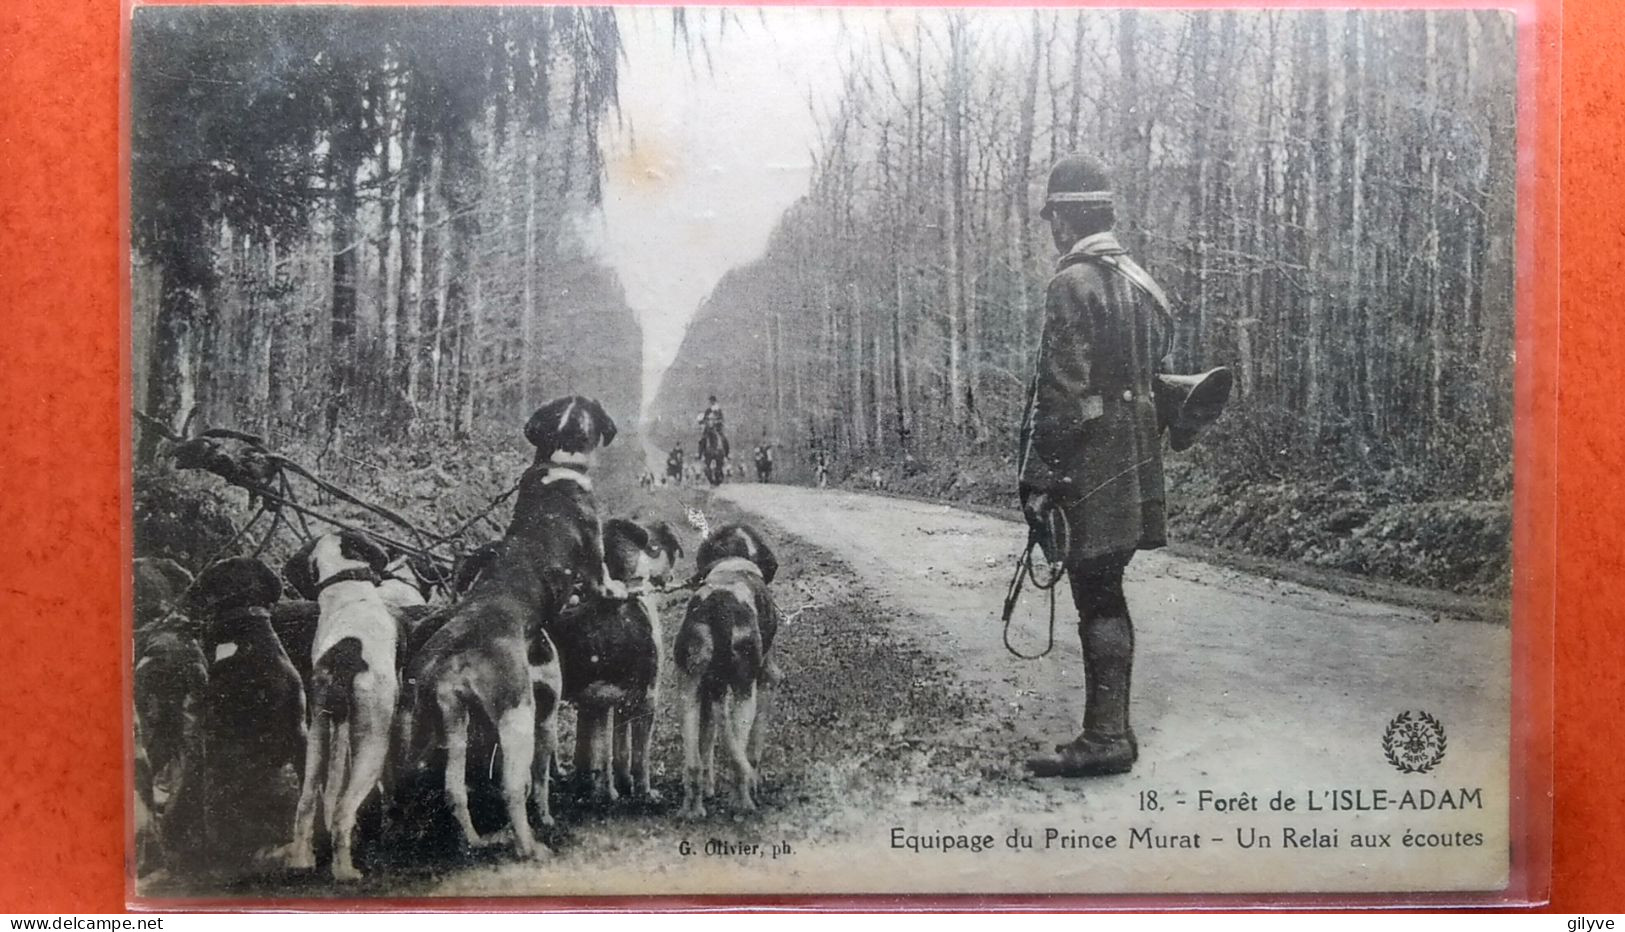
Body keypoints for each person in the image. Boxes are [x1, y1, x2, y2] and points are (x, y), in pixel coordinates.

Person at [1018, 153, 1174, 778]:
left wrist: (1040, 478)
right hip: (1135, 460)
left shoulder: (1071, 283)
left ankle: (1106, 738)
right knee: (1108, 589)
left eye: (1055, 216)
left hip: (1091, 463)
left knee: (1096, 593)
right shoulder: (1141, 282)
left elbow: (1062, 394)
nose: (1053, 229)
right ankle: (1112, 731)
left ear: (1070, 216)